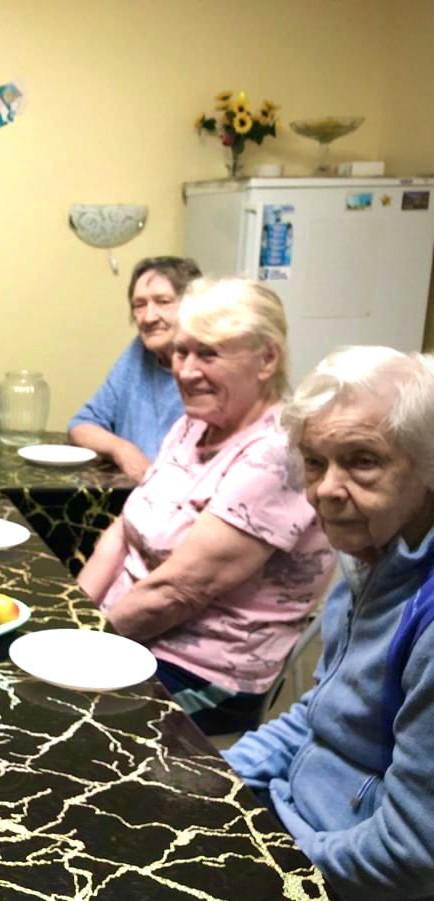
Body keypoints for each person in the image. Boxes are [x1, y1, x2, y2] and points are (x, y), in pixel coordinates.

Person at [224, 347, 434, 901]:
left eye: (362, 462)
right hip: (303, 831)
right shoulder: (372, 554)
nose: (326, 491)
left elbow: (411, 854)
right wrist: (216, 783)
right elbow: (320, 712)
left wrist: (271, 863)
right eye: (314, 462)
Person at [77, 277, 334, 734]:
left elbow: (177, 592)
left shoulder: (278, 453)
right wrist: (73, 615)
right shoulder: (194, 424)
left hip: (203, 670)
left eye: (209, 354)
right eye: (181, 351)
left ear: (267, 358)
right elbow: (122, 531)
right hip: (129, 633)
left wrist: (81, 648)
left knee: (44, 717)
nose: (186, 370)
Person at [68, 256, 202, 481]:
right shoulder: (139, 353)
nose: (149, 317)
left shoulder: (210, 371)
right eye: (140, 305)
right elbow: (82, 424)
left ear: (194, 305)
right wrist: (122, 449)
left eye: (163, 301)